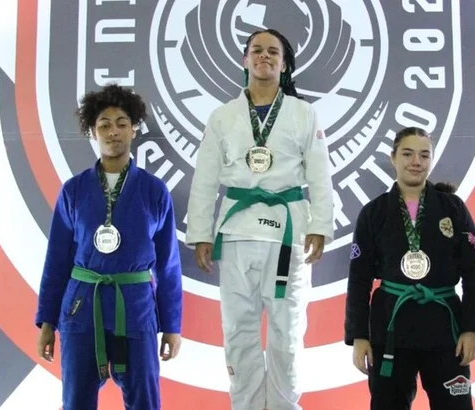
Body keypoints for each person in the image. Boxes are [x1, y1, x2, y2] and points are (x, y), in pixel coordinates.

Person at [185, 29, 334, 410]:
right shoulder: (223, 116)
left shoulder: (303, 113)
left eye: (273, 52)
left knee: (288, 333)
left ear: (284, 65)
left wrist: (320, 225)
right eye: (256, 50)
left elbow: (320, 174)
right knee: (238, 331)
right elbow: (205, 178)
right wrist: (201, 233)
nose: (264, 56)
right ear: (245, 59)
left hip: (289, 233)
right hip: (237, 233)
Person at [34, 84, 183, 410]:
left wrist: (172, 326)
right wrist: (47, 321)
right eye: (104, 125)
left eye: (121, 123)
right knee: (76, 402)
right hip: (81, 308)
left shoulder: (154, 191)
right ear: (93, 131)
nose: (113, 131)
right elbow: (56, 260)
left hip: (136, 308)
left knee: (145, 401)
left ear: (134, 129)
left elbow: (168, 265)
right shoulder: (73, 191)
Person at [344, 126, 475, 410]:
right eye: (407, 154)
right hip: (391, 327)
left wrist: (472, 329)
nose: (416, 162)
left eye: (424, 155)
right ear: (393, 157)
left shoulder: (453, 208)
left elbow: (474, 273)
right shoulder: (373, 212)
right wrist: (359, 335)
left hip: (445, 326)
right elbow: (359, 279)